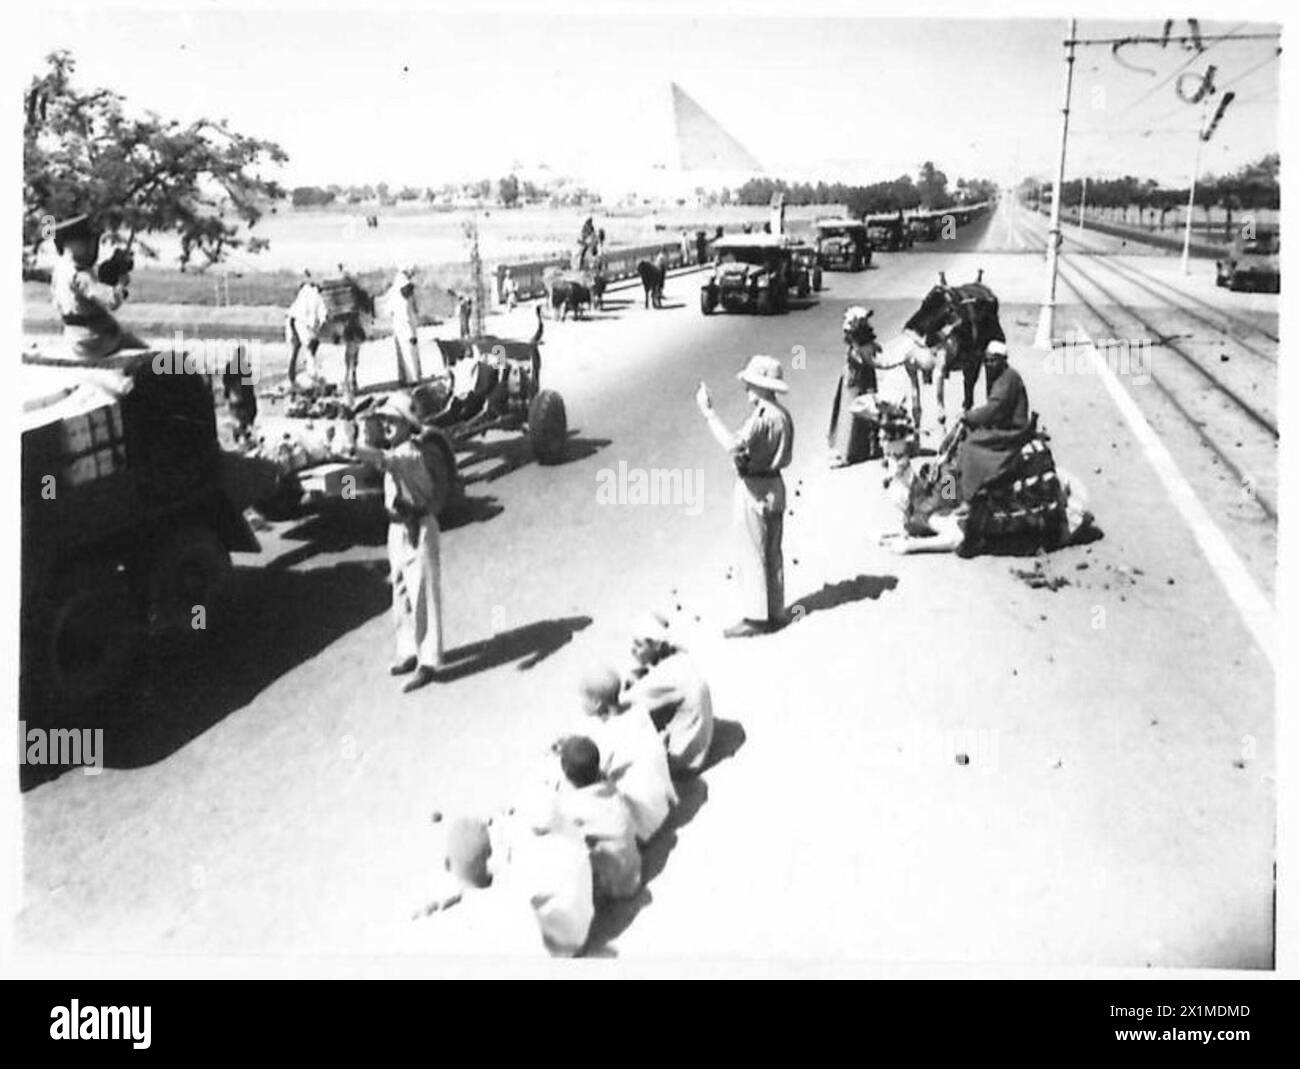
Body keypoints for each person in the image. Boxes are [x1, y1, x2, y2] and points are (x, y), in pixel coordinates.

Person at [695, 355, 794, 638]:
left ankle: (756, 617)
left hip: (755, 487)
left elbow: (733, 445)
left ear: (762, 386)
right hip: (775, 485)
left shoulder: (763, 417)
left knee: (751, 551)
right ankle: (776, 612)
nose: (747, 388)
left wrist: (709, 413)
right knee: (773, 551)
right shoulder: (782, 415)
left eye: (751, 383)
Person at [354, 393, 444, 692]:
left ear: (408, 424)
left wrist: (350, 442)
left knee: (422, 594)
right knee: (401, 590)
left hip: (417, 525)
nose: (387, 425)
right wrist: (366, 418)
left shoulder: (410, 454)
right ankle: (408, 650)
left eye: (393, 420)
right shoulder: (398, 450)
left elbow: (379, 458)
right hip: (398, 527)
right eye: (385, 420)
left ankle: (428, 661)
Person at [570, 666, 676, 844]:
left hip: (644, 823)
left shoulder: (607, 736)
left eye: (584, 698)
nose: (581, 702)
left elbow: (593, 774)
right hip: (661, 804)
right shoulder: (637, 711)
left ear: (597, 703)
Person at [548, 736, 642, 901]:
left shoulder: (573, 807)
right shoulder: (610, 788)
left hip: (615, 887)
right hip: (634, 870)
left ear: (566, 773)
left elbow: (553, 824)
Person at [622, 613, 715, 777]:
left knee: (628, 723)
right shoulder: (681, 655)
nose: (633, 650)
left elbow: (622, 701)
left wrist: (633, 673)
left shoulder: (665, 675)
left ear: (656, 646)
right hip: (699, 741)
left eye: (639, 645)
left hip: (683, 762)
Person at [49, 214, 147, 359]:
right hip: (95, 341)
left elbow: (89, 292)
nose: (92, 247)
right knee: (141, 350)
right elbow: (112, 302)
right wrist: (121, 282)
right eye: (88, 242)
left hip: (74, 337)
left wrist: (111, 268)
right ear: (75, 244)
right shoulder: (80, 275)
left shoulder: (60, 268)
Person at [955, 339, 1031, 501]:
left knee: (969, 446)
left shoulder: (1008, 378)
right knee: (963, 443)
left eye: (993, 360)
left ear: (1003, 361)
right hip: (1003, 426)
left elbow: (993, 410)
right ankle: (950, 493)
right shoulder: (1001, 377)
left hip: (1011, 432)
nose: (989, 364)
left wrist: (968, 416)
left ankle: (967, 499)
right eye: (987, 361)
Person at [827, 306, 881, 468]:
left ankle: (851, 451)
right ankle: (853, 450)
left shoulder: (860, 343)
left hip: (856, 379)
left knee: (853, 412)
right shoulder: (860, 343)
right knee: (856, 412)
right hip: (857, 379)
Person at [285, 274, 329, 388]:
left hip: (292, 320)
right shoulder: (318, 297)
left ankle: (291, 379)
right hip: (303, 322)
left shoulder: (304, 291)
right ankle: (312, 376)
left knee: (293, 352)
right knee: (310, 348)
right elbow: (323, 316)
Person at [385, 268, 423, 383]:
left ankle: (410, 379)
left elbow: (389, 311)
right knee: (408, 354)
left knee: (408, 354)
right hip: (405, 328)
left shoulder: (397, 295)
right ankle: (410, 378)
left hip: (403, 328)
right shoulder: (404, 298)